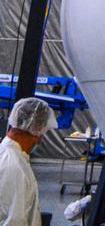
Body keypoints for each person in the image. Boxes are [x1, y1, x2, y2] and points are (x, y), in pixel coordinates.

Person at [0, 97, 57, 226]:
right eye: (44, 130)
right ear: (36, 127)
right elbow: (15, 220)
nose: (41, 137)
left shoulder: (11, 154)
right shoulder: (15, 166)